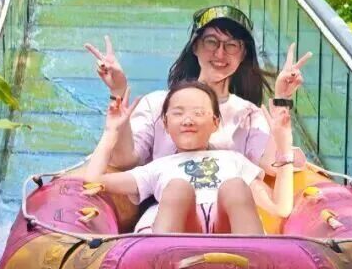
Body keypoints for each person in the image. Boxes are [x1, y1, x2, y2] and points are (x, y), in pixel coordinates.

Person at [83, 5, 311, 174]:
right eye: (211, 41)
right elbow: (124, 161)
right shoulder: (157, 104)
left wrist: (282, 98)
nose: (220, 53)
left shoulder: (249, 115)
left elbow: (273, 166)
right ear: (195, 47)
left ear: (243, 55)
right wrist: (119, 91)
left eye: (232, 45)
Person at [84, 81, 295, 234]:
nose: (187, 120)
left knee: (235, 187)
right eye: (178, 113)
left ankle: (255, 260)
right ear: (165, 124)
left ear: (215, 123)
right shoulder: (158, 167)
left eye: (198, 113)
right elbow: (94, 180)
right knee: (177, 188)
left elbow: (281, 208)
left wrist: (284, 140)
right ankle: (159, 258)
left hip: (226, 230)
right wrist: (111, 131)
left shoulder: (234, 160)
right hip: (181, 228)